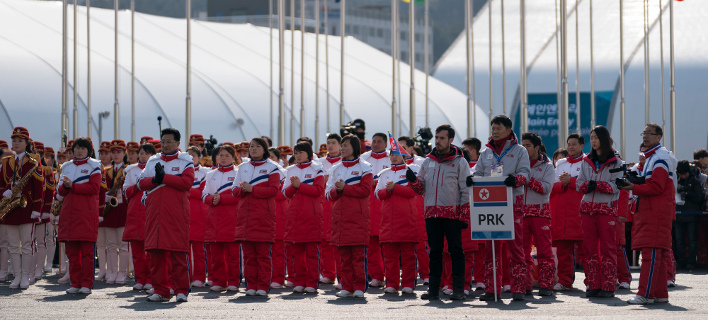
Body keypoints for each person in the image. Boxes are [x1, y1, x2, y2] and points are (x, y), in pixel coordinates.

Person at [407, 124, 470, 301]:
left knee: (456, 251)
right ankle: (434, 290)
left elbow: (466, 189)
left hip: (452, 215)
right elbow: (420, 189)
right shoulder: (428, 161)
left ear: (451, 140)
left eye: (442, 138)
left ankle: (458, 289)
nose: (438, 141)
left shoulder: (460, 161)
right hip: (431, 214)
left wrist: (464, 215)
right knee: (434, 252)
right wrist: (412, 181)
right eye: (436, 137)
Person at [471, 116, 530, 301]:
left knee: (515, 247)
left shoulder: (520, 150)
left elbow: (525, 173)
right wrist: (471, 178)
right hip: (489, 205)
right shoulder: (486, 152)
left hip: (512, 203)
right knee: (491, 248)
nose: (494, 131)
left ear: (508, 129)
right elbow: (478, 172)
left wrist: (516, 180)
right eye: (493, 128)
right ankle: (491, 289)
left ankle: (518, 289)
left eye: (498, 128)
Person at [137, 128, 195, 303]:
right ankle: (161, 290)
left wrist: (164, 178)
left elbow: (187, 183)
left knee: (178, 253)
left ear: (178, 143)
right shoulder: (152, 161)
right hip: (155, 213)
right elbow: (140, 183)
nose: (165, 145)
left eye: (169, 141)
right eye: (163, 141)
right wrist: (155, 179)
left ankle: (181, 290)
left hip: (176, 214)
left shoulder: (186, 161)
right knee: (156, 253)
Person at [622, 123, 677, 304]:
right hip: (654, 210)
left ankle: (644, 294)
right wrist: (637, 182)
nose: (644, 136)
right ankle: (659, 294)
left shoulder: (659, 157)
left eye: (648, 133)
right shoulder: (654, 157)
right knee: (657, 256)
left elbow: (656, 186)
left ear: (659, 137)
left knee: (650, 254)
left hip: (655, 211)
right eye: (643, 133)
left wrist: (633, 187)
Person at [576, 126, 623, 298]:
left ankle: (609, 286)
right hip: (587, 209)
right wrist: (586, 186)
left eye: (596, 137)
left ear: (604, 139)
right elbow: (578, 184)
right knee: (590, 249)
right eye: (592, 137)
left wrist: (598, 185)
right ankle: (593, 284)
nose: (593, 141)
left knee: (608, 249)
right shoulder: (586, 161)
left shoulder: (617, 162)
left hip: (607, 210)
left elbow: (617, 186)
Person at [231, 137, 281, 296]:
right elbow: (234, 190)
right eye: (251, 146)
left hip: (263, 217)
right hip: (245, 216)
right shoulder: (242, 167)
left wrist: (252, 189)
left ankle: (263, 286)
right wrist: (243, 190)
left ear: (264, 149)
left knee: (262, 255)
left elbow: (274, 190)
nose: (253, 149)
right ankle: (251, 285)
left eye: (257, 146)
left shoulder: (272, 168)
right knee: (249, 256)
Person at [325, 134, 373, 298]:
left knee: (358, 256)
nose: (343, 148)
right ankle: (346, 286)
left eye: (346, 145)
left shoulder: (365, 167)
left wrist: (345, 188)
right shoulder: (335, 168)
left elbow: (366, 191)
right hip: (340, 218)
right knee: (344, 256)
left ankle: (359, 287)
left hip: (358, 218)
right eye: (342, 145)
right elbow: (327, 195)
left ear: (355, 147)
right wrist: (337, 190)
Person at [56, 137, 102, 294]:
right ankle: (75, 283)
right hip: (69, 214)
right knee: (72, 253)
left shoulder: (94, 166)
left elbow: (94, 188)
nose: (79, 150)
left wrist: (72, 186)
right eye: (77, 148)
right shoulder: (66, 167)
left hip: (86, 215)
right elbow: (59, 194)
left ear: (89, 151)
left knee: (87, 253)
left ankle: (87, 284)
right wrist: (65, 187)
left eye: (83, 148)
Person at [0, 127, 44, 289]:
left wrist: (36, 209)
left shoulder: (33, 161)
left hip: (27, 208)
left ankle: (26, 276)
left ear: (27, 143)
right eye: (14, 140)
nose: (16, 143)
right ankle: (17, 276)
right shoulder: (6, 162)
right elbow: (1, 184)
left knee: (26, 244)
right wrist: (5, 192)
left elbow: (39, 187)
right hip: (10, 209)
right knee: (12, 245)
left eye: (20, 141)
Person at [375, 139, 419, 294]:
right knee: (390, 257)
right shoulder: (384, 174)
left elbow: (414, 192)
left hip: (407, 220)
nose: (393, 157)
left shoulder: (411, 171)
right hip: (388, 221)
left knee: (408, 256)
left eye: (396, 154)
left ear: (404, 155)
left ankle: (408, 284)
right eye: (391, 154)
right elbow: (378, 194)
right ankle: (392, 284)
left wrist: (395, 188)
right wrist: (389, 190)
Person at [282, 142, 325, 293]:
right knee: (297, 252)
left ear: (309, 153)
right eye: (296, 152)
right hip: (294, 215)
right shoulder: (290, 170)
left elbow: (319, 190)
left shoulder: (317, 169)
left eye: (301, 152)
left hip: (311, 215)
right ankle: (299, 281)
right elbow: (284, 193)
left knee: (312, 253)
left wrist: (299, 185)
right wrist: (293, 186)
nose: (298, 155)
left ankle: (312, 283)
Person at [520, 133, 556, 297]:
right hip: (521, 212)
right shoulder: (518, 165)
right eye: (523, 145)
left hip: (540, 213)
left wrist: (527, 179)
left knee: (544, 251)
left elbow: (546, 188)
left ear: (536, 147)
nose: (524, 148)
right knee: (522, 251)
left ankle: (547, 285)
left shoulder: (547, 166)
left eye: (528, 145)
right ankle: (525, 285)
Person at [550, 133, 587, 291]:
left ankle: (591, 281)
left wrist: (570, 181)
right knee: (563, 250)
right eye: (569, 144)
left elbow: (588, 184)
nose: (570, 147)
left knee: (587, 251)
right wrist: (564, 184)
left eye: (574, 144)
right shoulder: (560, 163)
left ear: (581, 146)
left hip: (581, 210)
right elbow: (552, 185)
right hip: (562, 212)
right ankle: (565, 281)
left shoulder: (588, 162)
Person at [203, 145, 241, 292]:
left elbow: (239, 194)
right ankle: (219, 281)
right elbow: (204, 194)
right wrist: (212, 199)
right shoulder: (211, 174)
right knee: (216, 254)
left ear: (233, 157)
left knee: (233, 254)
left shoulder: (239, 172)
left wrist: (222, 198)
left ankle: (233, 281)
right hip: (214, 217)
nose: (223, 158)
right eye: (221, 155)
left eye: (226, 155)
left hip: (232, 217)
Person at [122, 143, 157, 291]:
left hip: (150, 212)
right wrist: (137, 186)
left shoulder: (157, 168)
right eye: (141, 153)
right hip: (134, 213)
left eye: (146, 153)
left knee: (149, 251)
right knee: (136, 251)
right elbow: (126, 192)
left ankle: (150, 279)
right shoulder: (131, 170)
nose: (143, 156)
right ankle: (139, 278)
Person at [360, 132, 391, 288]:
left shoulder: (392, 158)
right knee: (371, 244)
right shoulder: (364, 158)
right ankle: (377, 276)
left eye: (380, 141)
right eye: (374, 141)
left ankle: (391, 276)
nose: (376, 144)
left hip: (386, 206)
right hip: (368, 206)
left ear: (386, 144)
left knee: (387, 245)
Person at [100, 140, 130, 285]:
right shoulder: (106, 171)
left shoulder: (129, 170)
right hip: (110, 210)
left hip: (124, 210)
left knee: (123, 244)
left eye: (119, 152)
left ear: (125, 153)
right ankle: (112, 272)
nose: (116, 155)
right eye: (113, 152)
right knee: (111, 244)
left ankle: (122, 273)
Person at [461, 137, 486, 292]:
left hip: (481, 209)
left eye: (467, 149)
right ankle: (467, 278)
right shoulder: (459, 166)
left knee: (481, 247)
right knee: (468, 248)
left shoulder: (482, 166)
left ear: (474, 150)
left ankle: (481, 278)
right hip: (466, 211)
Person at [319, 133, 342, 286]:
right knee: (324, 241)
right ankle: (327, 273)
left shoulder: (344, 163)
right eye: (328, 142)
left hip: (338, 205)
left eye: (334, 142)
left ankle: (341, 275)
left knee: (338, 242)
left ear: (340, 145)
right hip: (321, 205)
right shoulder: (318, 163)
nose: (331, 145)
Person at [674, 160, 704, 270]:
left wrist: (687, 193)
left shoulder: (695, 182)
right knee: (679, 240)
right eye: (681, 174)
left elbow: (699, 197)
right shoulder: (676, 181)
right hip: (678, 215)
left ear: (688, 172)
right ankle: (680, 261)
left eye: (684, 173)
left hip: (692, 215)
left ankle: (692, 261)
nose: (682, 176)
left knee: (692, 239)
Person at [186, 146, 209, 287]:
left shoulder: (205, 173)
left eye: (193, 155)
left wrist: (186, 188)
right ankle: (187, 276)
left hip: (199, 215)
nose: (190, 158)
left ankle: (200, 277)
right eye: (187, 155)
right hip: (183, 214)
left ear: (199, 157)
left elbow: (202, 193)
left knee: (199, 250)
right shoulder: (181, 172)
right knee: (184, 250)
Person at [268, 147, 289, 288]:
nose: (269, 160)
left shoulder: (283, 173)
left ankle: (278, 277)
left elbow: (282, 193)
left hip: (280, 215)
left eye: (272, 157)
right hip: (265, 214)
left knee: (278, 250)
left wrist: (264, 191)